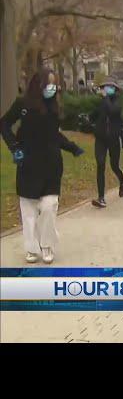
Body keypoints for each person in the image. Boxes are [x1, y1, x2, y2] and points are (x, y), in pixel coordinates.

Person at [0, 70, 84, 264]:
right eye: (49, 84)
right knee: (28, 210)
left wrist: (72, 148)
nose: (52, 88)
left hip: (51, 165)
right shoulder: (22, 105)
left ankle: (47, 244)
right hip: (28, 164)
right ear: (38, 85)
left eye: (54, 84)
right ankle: (32, 248)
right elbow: (4, 124)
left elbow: (54, 135)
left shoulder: (54, 108)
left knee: (48, 207)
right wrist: (14, 147)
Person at [90, 79, 123, 208]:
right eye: (104, 87)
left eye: (109, 87)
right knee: (100, 164)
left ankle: (122, 182)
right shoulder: (102, 102)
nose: (106, 89)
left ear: (115, 89)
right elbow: (95, 116)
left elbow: (112, 111)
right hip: (100, 138)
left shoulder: (117, 102)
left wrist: (105, 99)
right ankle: (101, 198)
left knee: (114, 165)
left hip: (113, 139)